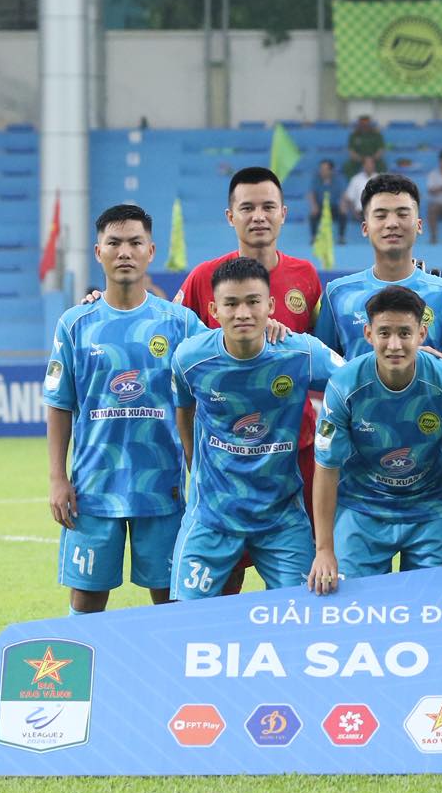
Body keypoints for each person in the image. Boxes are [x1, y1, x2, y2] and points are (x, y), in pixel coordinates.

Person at [43, 204, 205, 615]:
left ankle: (168, 662)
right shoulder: (75, 323)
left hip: (162, 488)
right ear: (99, 252)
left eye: (135, 242)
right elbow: (59, 403)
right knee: (87, 600)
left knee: (170, 599)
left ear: (151, 251)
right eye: (114, 243)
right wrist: (57, 478)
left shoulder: (182, 323)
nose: (125, 252)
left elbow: (224, 363)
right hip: (93, 489)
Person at [176, 166, 324, 592]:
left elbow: (327, 356)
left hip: (295, 454)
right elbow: (169, 332)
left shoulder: (306, 277)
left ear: (283, 214)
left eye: (268, 207)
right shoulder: (204, 278)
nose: (258, 216)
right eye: (247, 208)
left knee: (300, 583)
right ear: (230, 216)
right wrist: (99, 298)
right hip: (227, 464)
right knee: (225, 582)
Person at [170, 257, 345, 600]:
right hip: (211, 517)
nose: (243, 313)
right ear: (214, 310)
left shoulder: (300, 352)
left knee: (304, 612)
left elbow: (357, 379)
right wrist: (195, 464)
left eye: (253, 302)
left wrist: (417, 358)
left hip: (281, 519)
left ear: (271, 306)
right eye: (231, 304)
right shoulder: (190, 359)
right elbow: (184, 409)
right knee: (183, 616)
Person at [311, 286, 442, 585]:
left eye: (405, 333)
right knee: (347, 605)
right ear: (368, 334)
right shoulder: (344, 384)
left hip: (432, 507)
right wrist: (324, 550)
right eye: (384, 333)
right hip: (362, 506)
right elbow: (327, 469)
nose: (394, 345)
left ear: (421, 334)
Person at [314, 173, 442, 375]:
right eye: (381, 215)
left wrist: (436, 369)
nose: (392, 223)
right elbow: (321, 371)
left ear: (419, 225)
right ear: (365, 228)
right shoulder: (337, 294)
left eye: (402, 214)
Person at [307, 159, 347, 244]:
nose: (322, 171)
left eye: (325, 169)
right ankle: (314, 237)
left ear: (331, 170)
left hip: (334, 207)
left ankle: (341, 237)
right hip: (320, 207)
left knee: (343, 213)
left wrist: (342, 204)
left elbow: (343, 194)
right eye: (321, 169)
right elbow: (311, 194)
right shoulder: (316, 179)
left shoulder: (338, 180)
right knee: (312, 215)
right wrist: (313, 205)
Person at [343, 155, 377, 234]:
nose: (369, 166)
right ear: (363, 165)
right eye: (367, 164)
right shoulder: (356, 179)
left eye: (371, 163)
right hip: (360, 212)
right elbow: (349, 198)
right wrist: (353, 212)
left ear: (374, 165)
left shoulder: (380, 179)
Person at [344, 114, 385, 179]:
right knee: (348, 166)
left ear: (370, 124)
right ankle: (354, 182)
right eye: (362, 123)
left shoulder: (377, 135)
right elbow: (351, 151)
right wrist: (362, 159)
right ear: (359, 124)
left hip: (374, 159)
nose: (364, 125)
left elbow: (380, 150)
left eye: (366, 123)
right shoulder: (354, 135)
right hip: (359, 160)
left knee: (383, 166)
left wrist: (371, 159)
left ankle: (380, 183)